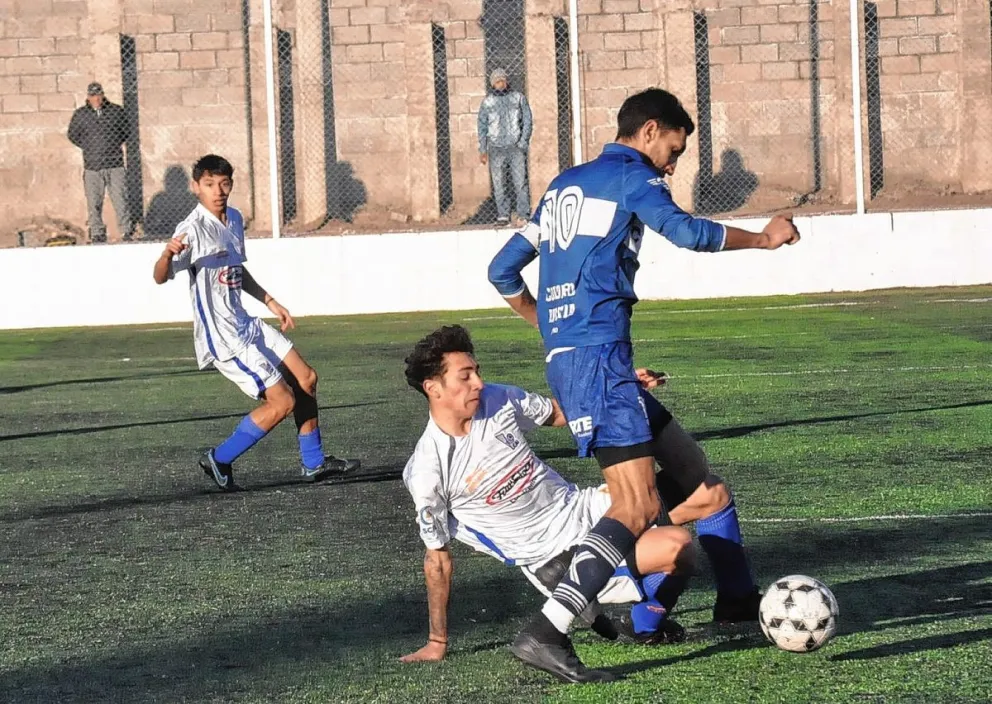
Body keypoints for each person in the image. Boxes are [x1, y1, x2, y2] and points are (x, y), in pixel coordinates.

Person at [486, 88, 801, 683]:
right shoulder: (632, 177)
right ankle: (549, 626)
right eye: (673, 151)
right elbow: (686, 233)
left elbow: (501, 269)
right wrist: (763, 238)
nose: (673, 165)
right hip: (597, 360)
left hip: (589, 357)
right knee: (637, 506)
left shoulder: (564, 185)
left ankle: (729, 603)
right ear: (650, 131)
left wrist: (556, 331)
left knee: (702, 485)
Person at [399, 326, 694, 673]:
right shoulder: (427, 470)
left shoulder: (497, 399)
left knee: (698, 488)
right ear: (433, 388)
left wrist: (620, 385)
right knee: (678, 546)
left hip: (581, 506)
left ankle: (648, 617)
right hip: (552, 553)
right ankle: (626, 614)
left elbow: (557, 414)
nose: (478, 382)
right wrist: (437, 641)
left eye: (477, 371)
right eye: (465, 376)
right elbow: (437, 559)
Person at [152, 154, 360, 490]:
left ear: (231, 184)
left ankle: (315, 464)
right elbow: (160, 277)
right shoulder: (191, 230)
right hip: (224, 338)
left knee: (306, 379)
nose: (217, 190)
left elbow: (237, 270)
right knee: (283, 401)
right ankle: (218, 458)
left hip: (247, 324)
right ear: (196, 187)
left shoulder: (233, 218)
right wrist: (166, 255)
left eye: (224, 183)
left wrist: (270, 300)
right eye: (209, 184)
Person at [67, 82, 133, 243]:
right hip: (92, 166)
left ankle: (126, 231)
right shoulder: (81, 114)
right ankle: (97, 232)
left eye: (98, 95)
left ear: (103, 95)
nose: (96, 98)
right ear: (88, 97)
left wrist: (111, 143)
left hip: (115, 164)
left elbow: (126, 131)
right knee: (94, 202)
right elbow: (73, 135)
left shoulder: (116, 112)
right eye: (92, 95)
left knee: (120, 199)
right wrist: (89, 145)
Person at [477, 68, 533, 227]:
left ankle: (523, 215)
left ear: (507, 81)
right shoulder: (487, 103)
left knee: (520, 181)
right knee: (499, 183)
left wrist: (523, 142)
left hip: (515, 147)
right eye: (497, 81)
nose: (500, 84)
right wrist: (483, 149)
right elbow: (482, 126)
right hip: (495, 148)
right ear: (492, 84)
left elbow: (527, 120)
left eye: (502, 80)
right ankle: (503, 215)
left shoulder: (518, 98)